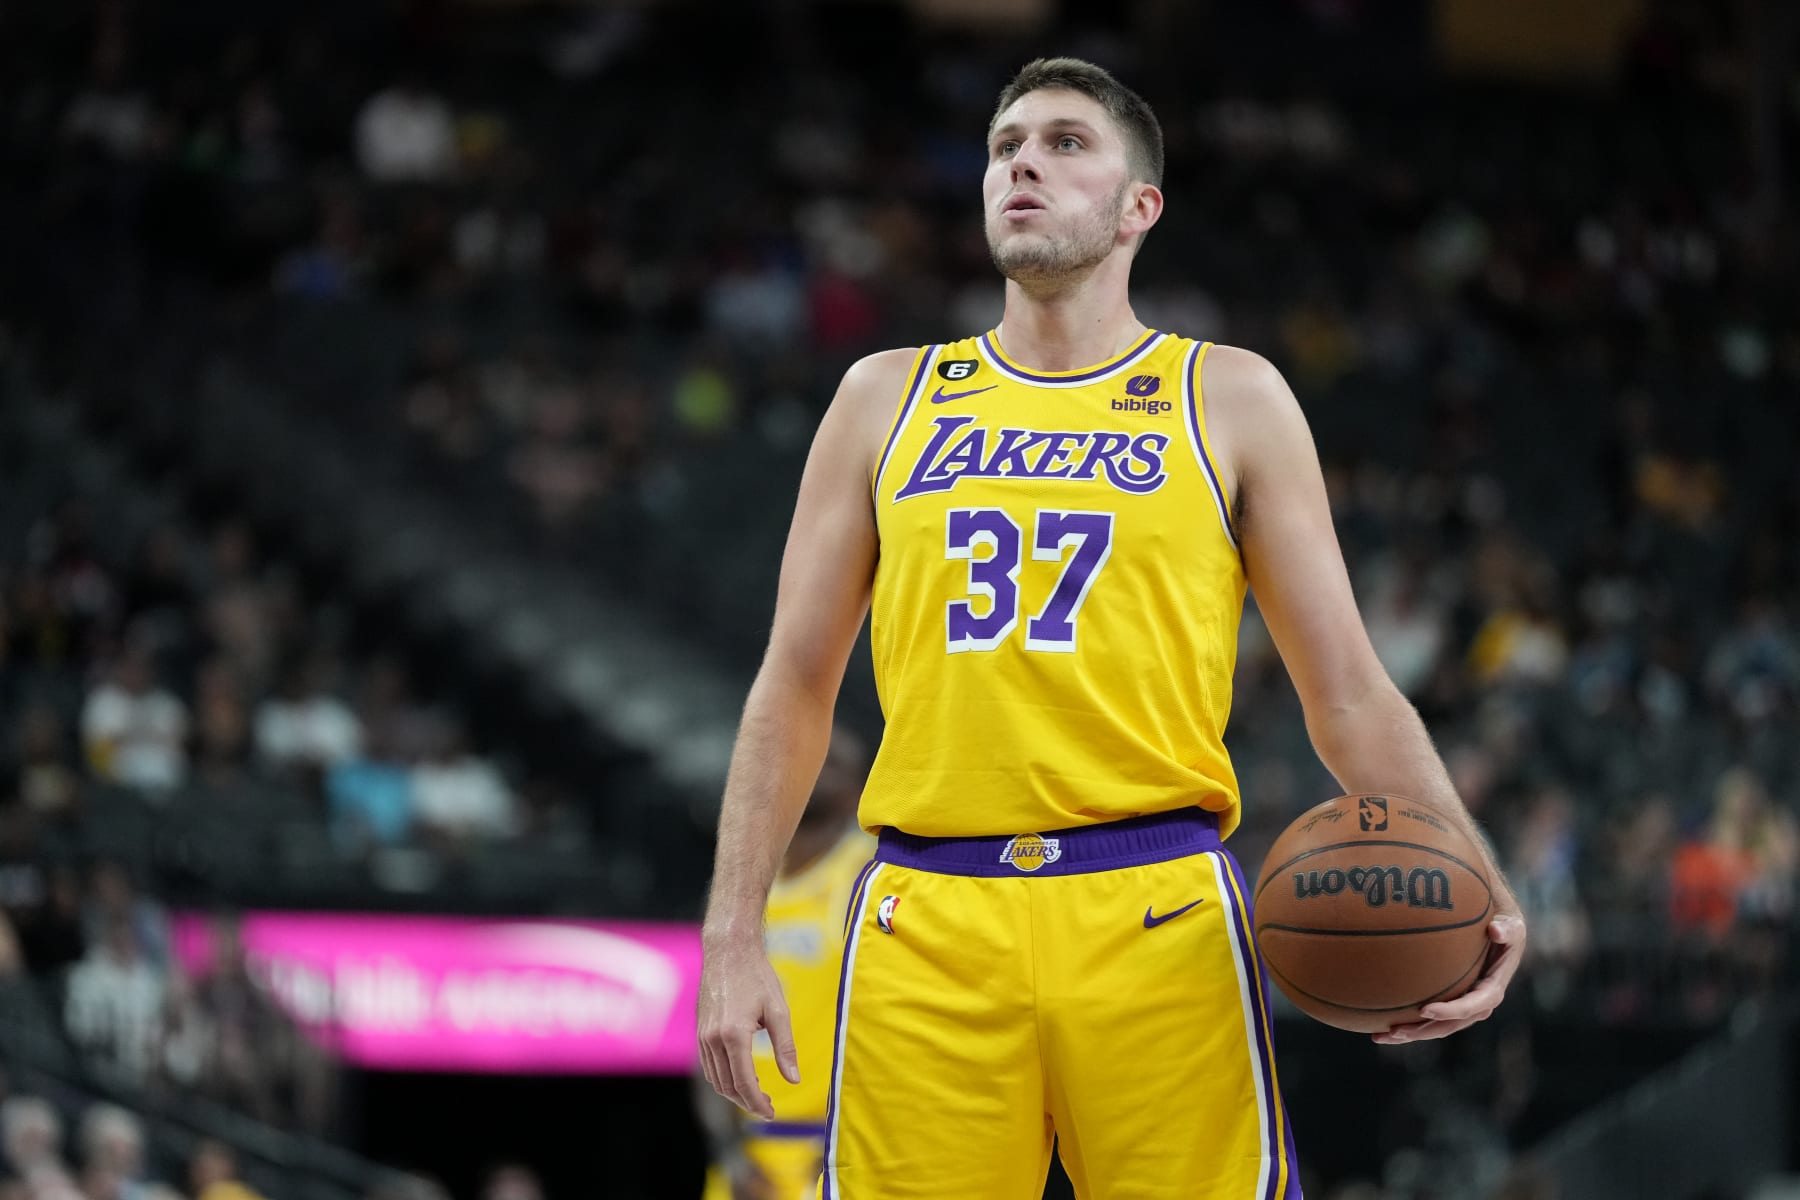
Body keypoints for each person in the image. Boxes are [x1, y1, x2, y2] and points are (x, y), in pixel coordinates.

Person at [698, 57, 1527, 1199]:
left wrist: (1477, 873)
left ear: (1142, 207)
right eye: (1004, 146)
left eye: (1066, 142)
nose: (1023, 162)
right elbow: (792, 686)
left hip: (1159, 906)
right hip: (925, 915)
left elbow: (1348, 693)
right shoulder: (883, 397)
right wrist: (732, 933)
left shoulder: (1231, 396)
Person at [696, 730, 873, 1200]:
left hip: (832, 1147)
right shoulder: (738, 889)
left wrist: (849, 1138)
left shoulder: (867, 873)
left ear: (858, 789)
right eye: (810, 755)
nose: (815, 769)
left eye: (832, 764)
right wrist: (729, 1152)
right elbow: (708, 1026)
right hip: (748, 1156)